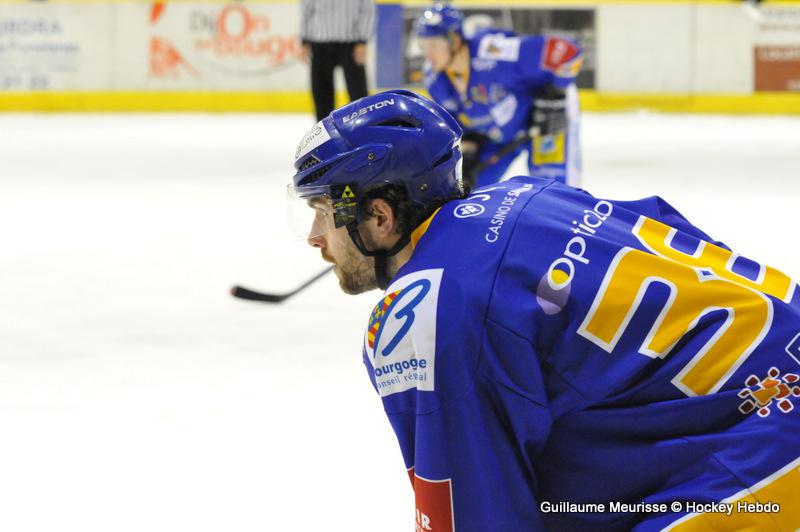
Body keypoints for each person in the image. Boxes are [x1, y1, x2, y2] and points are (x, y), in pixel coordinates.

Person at [289, 90, 800, 531]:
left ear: (379, 216)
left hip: (771, 440)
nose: (315, 237)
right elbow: (675, 230)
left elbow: (471, 509)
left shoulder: (429, 309)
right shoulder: (530, 194)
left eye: (324, 213)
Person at [416, 3, 584, 189]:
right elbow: (461, 127)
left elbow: (568, 51)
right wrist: (469, 158)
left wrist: (555, 95)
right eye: (423, 46)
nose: (427, 54)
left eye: (433, 45)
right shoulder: (434, 79)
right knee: (463, 191)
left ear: (454, 40)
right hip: (497, 137)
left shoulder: (494, 51)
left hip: (544, 120)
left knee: (555, 191)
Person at [300, 0, 375, 121]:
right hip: (320, 43)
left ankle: (363, 125)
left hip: (351, 43)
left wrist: (362, 40)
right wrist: (305, 40)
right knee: (321, 91)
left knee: (358, 92)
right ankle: (324, 128)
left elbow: (367, 10)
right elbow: (306, 9)